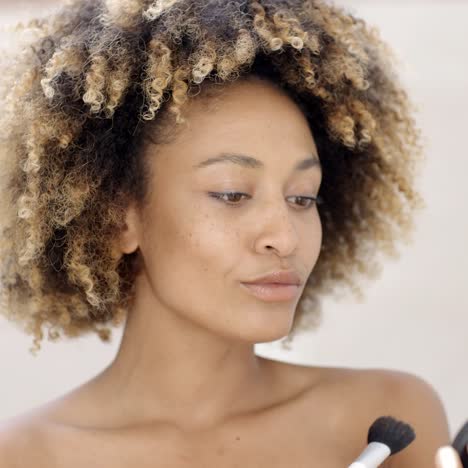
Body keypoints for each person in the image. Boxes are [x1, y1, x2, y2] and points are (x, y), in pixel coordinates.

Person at [0, 0, 456, 466]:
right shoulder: (24, 456)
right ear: (119, 217)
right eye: (233, 194)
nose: (286, 237)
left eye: (302, 198)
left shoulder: (384, 422)